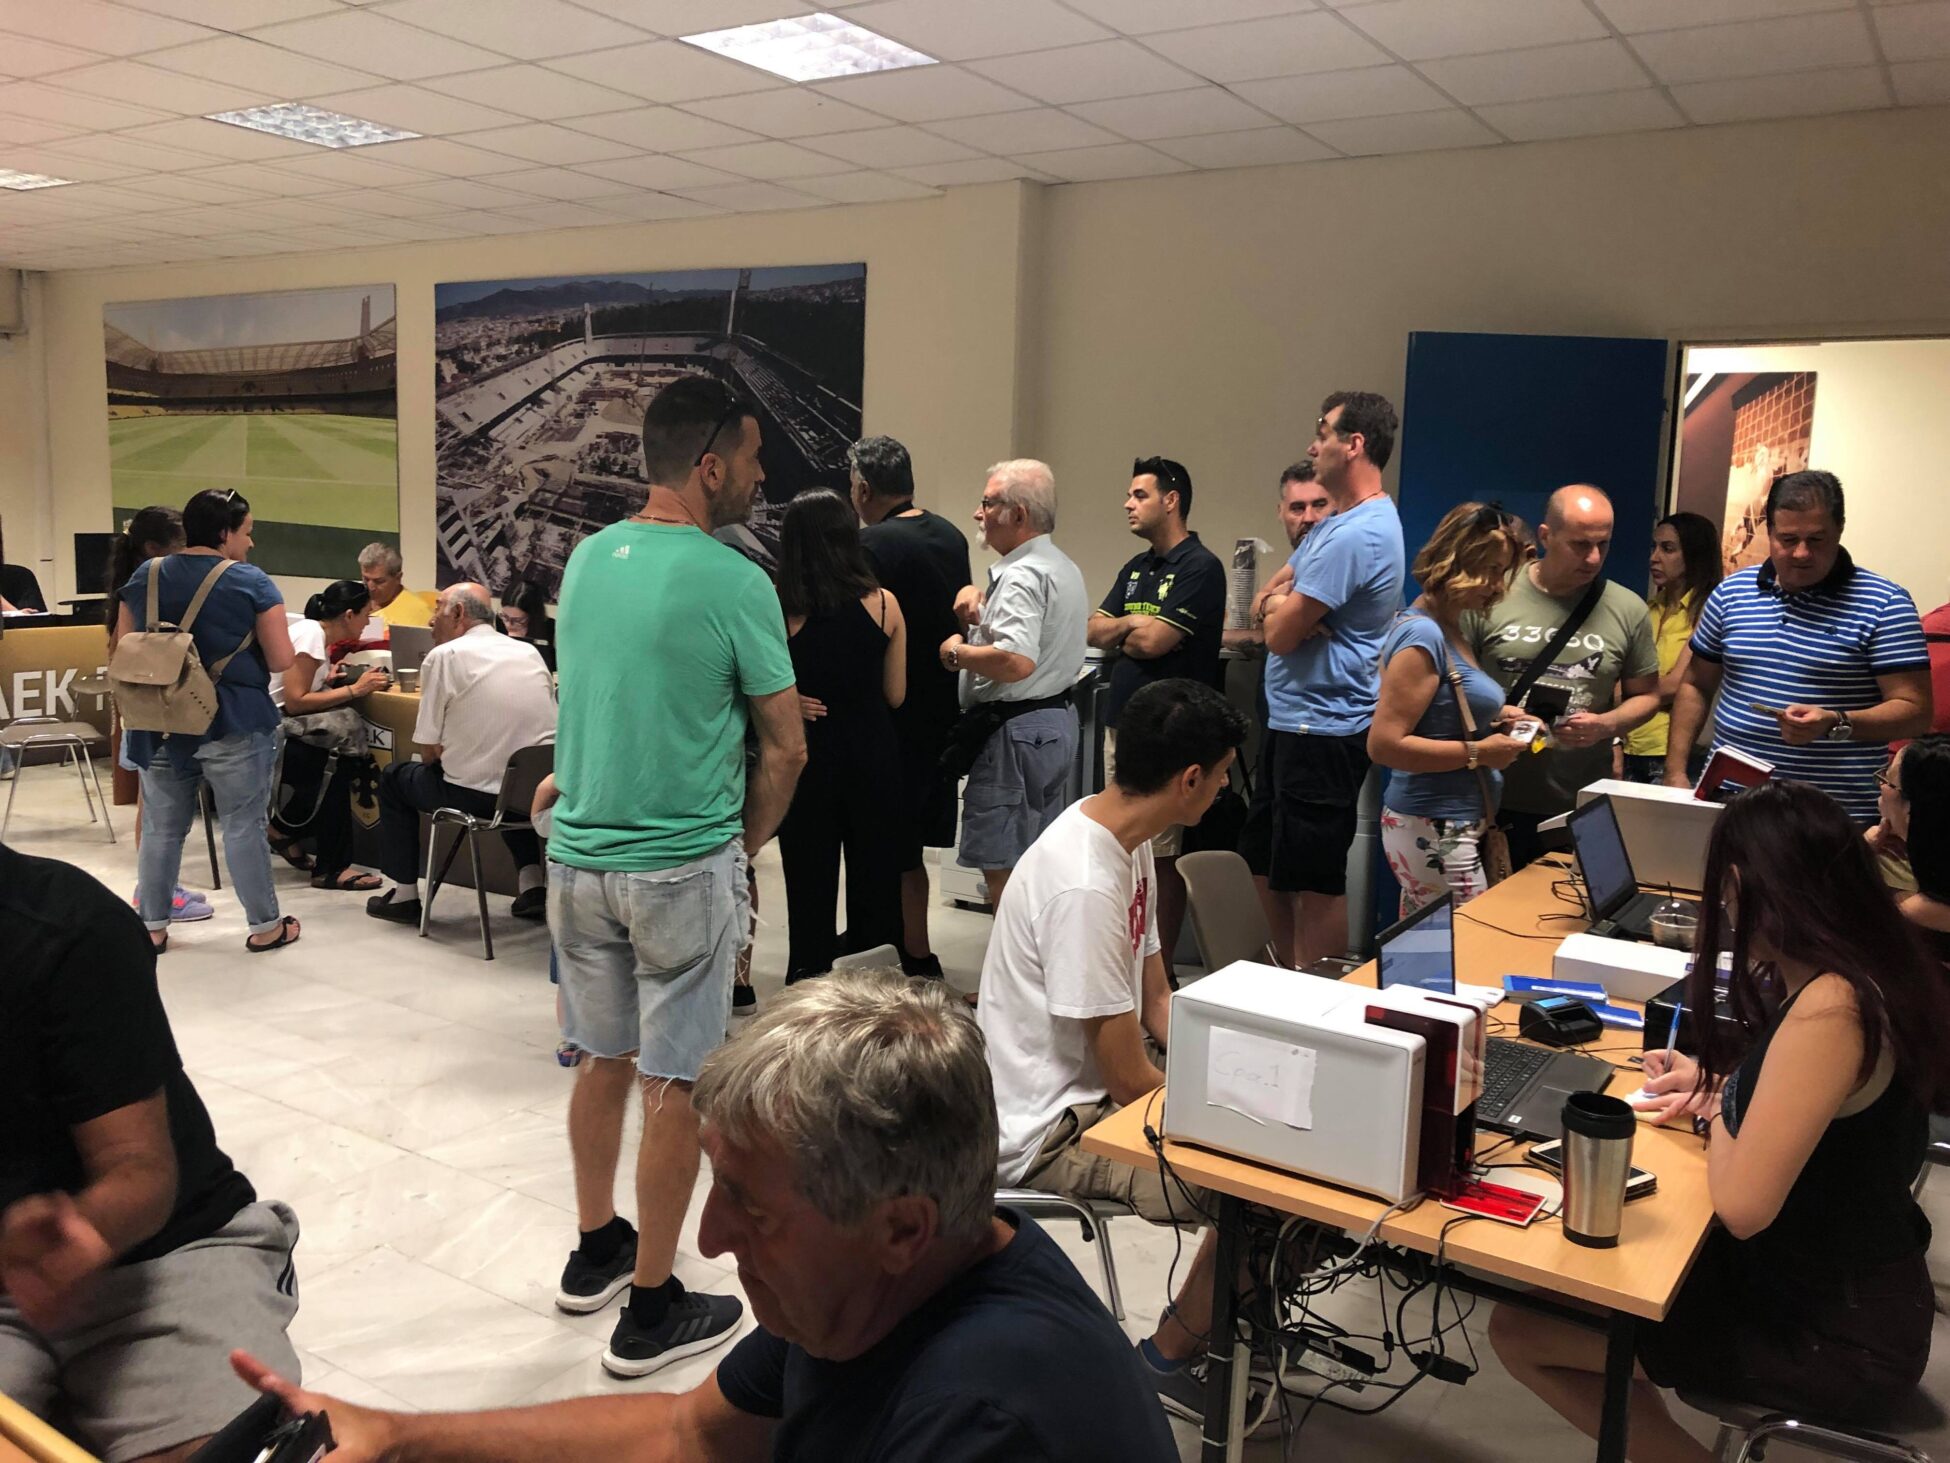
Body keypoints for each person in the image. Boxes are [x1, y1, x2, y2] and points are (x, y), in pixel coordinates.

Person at [231, 973, 1177, 1463]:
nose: (710, 1237)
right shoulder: (870, 1290)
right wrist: (397, 1438)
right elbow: (689, 1435)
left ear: (901, 1228)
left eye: (749, 1205)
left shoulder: (984, 1419)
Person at [1490, 781, 1950, 1458]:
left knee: (1522, 1330)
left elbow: (1741, 1206)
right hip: (1845, 1290)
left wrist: (1724, 1112)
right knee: (1612, 1290)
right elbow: (1815, 1112)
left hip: (1834, 1334)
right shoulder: (1861, 966)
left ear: (1741, 886)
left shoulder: (1832, 1007)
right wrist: (1725, 1088)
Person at [547, 374, 806, 1379]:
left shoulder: (585, 558)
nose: (760, 474)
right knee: (676, 1082)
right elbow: (786, 746)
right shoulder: (735, 580)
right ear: (709, 467)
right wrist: (741, 844)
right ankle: (651, 1305)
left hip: (578, 861)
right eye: (751, 458)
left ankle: (595, 1245)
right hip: (676, 866)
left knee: (602, 1057)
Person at [980, 678, 1252, 1420]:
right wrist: (1234, 1115)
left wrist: (1237, 1071)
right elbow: (1130, 1078)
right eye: (1222, 775)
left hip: (1095, 1098)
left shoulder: (1124, 843)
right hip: (1051, 1131)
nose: (1223, 789)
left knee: (1282, 1163)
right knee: (1262, 1197)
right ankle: (1169, 1356)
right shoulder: (1084, 883)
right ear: (1189, 779)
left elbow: (1158, 1000)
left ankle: (1232, 1323)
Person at [1, 843, 301, 1463]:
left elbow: (137, 1168)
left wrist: (81, 1231)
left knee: (230, 1447)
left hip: (165, 1253)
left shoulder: (66, 925)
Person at [1665, 471, 1933, 823]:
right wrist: (1675, 773)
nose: (1801, 553)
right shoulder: (1731, 593)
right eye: (1788, 539)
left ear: (1839, 530)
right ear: (1769, 531)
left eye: (1817, 539)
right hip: (1732, 807)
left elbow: (1916, 712)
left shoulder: (1885, 604)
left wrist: (1837, 722)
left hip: (1834, 818)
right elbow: (1696, 684)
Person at [1243, 391, 1406, 968]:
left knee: (1314, 880)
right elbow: (1268, 602)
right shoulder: (1335, 525)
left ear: (1354, 444)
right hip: (1292, 721)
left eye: (1323, 434)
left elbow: (1280, 637)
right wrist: (1278, 606)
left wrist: (1281, 615)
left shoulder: (1358, 533)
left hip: (1324, 728)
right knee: (1265, 860)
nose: (1314, 446)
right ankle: (1284, 980)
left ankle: (1315, 996)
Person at [117, 489, 300, 955]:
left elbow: (124, 646)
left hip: (159, 720)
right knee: (242, 825)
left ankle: (152, 927)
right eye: (247, 532)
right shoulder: (252, 582)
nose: (250, 542)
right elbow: (281, 659)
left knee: (161, 828)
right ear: (224, 533)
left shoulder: (146, 574)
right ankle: (265, 926)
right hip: (233, 719)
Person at [1463, 484, 1660, 869]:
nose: (1593, 557)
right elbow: (1453, 688)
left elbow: (1648, 696)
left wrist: (1606, 725)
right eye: (1580, 544)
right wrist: (1501, 715)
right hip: (1490, 797)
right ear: (1546, 536)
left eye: (1603, 544)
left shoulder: (1627, 608)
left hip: (1576, 804)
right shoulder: (1492, 592)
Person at [1087, 456, 1226, 969]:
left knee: (1160, 854)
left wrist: (1126, 628)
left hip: (1170, 733)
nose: (1128, 503)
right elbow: (1094, 629)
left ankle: (1157, 971)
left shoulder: (1200, 567)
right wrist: (1131, 624)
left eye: (1139, 495)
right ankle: (1123, 957)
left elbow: (1154, 642)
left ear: (1171, 501)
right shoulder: (1135, 568)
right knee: (1120, 843)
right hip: (1122, 724)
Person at [941, 459, 1088, 911]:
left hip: (1015, 733)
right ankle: (1035, 954)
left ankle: (1010, 959)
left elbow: (1015, 661)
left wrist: (955, 652)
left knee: (1004, 872)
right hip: (1053, 723)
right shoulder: (1061, 566)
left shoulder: (1022, 575)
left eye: (988, 503)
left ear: (1019, 514)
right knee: (1033, 864)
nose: (978, 513)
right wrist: (979, 614)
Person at [367, 582, 558, 928]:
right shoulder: (529, 653)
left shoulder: (444, 656)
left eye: (437, 608)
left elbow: (428, 750)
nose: (431, 620)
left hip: (473, 797)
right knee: (509, 776)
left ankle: (404, 895)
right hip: (530, 795)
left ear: (458, 613)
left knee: (395, 778)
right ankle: (531, 885)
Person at [1371, 503, 1531, 914]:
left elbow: (1440, 712)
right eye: (1491, 570)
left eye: (1502, 572)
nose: (1497, 586)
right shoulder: (1423, 634)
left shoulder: (1449, 628)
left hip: (1448, 824)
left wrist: (1497, 719)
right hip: (1435, 823)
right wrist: (1480, 753)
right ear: (1457, 560)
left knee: (1434, 941)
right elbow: (1384, 745)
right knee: (1465, 939)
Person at [775, 489, 907, 983]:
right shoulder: (884, 604)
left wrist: (792, 701)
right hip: (873, 755)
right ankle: (875, 993)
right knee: (876, 883)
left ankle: (807, 986)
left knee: (808, 883)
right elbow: (896, 694)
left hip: (810, 759)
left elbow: (755, 688)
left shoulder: (781, 609)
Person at [852, 434, 972, 979]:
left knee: (883, 847)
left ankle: (891, 954)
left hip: (891, 716)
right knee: (913, 847)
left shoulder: (873, 544)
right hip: (942, 711)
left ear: (863, 488)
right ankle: (915, 949)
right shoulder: (950, 535)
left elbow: (862, 632)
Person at [103, 507, 212, 926]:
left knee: (151, 806)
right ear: (153, 548)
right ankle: (153, 893)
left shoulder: (142, 583)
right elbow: (122, 651)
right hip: (149, 708)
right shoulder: (142, 587)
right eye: (182, 544)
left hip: (146, 707)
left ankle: (161, 888)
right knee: (151, 809)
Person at [268, 579, 389, 895]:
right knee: (336, 764)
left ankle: (282, 830)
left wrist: (328, 680)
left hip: (276, 729)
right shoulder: (311, 634)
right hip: (271, 738)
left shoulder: (313, 634)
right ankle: (331, 867)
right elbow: (295, 701)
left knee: (336, 763)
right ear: (349, 615)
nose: (367, 623)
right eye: (366, 615)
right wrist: (355, 690)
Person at [1619, 511, 1722, 784]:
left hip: (1672, 752)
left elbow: (1678, 684)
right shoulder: (1648, 608)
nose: (1654, 557)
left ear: (1694, 554)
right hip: (1630, 743)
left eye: (1667, 549)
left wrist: (1621, 692)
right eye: (1654, 547)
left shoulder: (1708, 610)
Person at [1878, 733, 1950, 967]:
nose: (1881, 785)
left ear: (1913, 810)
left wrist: (1861, 852)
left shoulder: (1913, 916)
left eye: (1888, 780)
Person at [1248, 460, 1334, 628]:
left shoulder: (1343, 550)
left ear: (1337, 507)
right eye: (1297, 508)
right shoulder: (1303, 554)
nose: (1308, 518)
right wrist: (1274, 602)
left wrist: (1277, 606)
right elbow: (1256, 605)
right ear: (1280, 512)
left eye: (1319, 505)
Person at [353, 542, 436, 644]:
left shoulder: (419, 612)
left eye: (379, 581)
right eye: (366, 579)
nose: (370, 587)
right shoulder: (353, 600)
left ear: (398, 578)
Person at [497, 581, 555, 673]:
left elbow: (551, 665)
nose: (509, 624)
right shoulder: (499, 620)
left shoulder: (548, 626)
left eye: (518, 620)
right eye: (505, 617)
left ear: (532, 616)